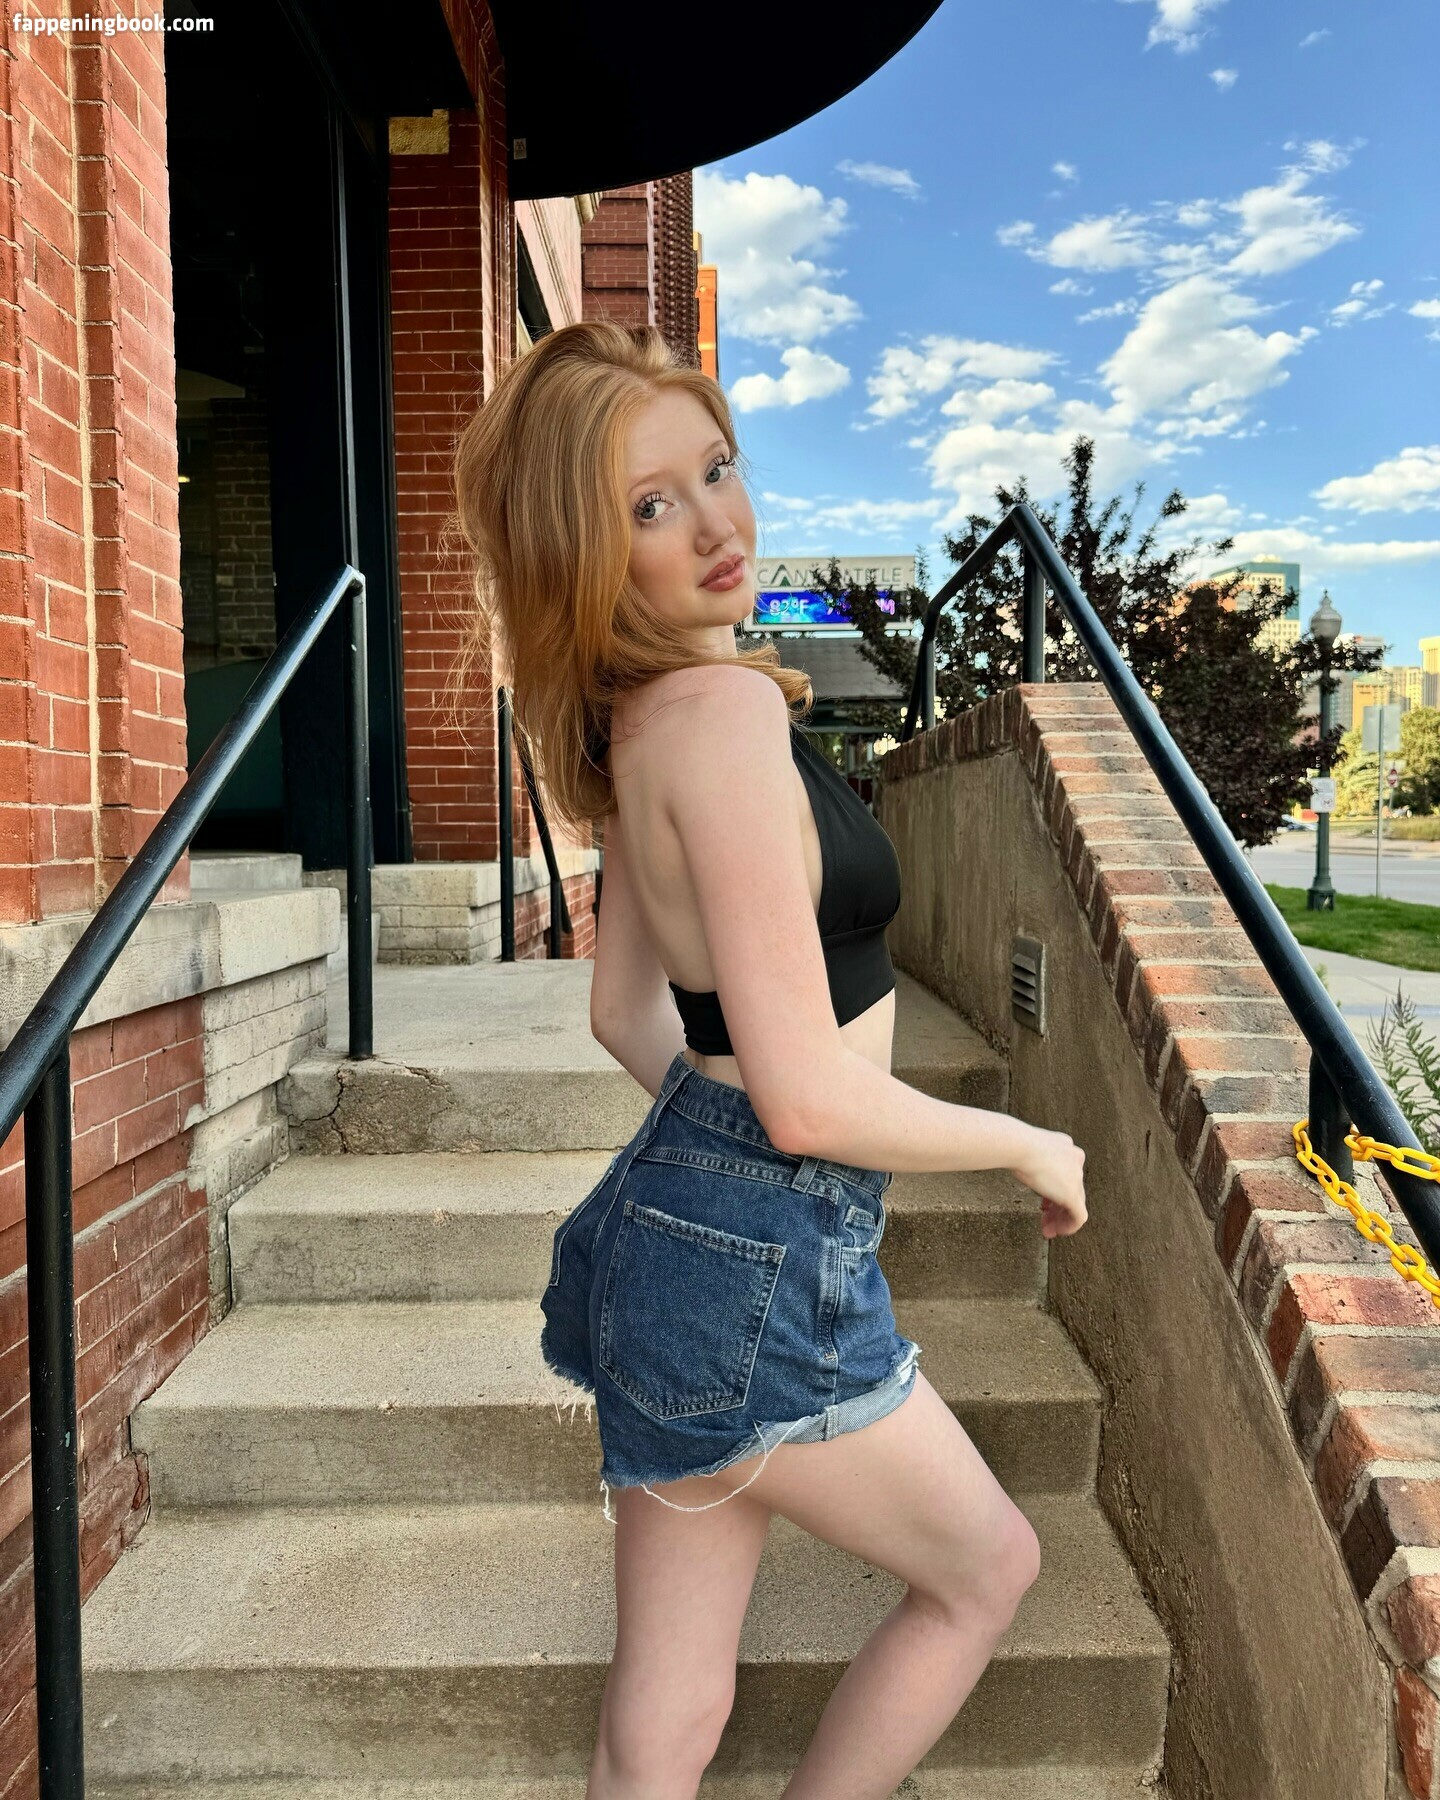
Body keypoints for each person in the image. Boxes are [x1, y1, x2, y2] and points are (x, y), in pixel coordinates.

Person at [453, 320, 1088, 1800]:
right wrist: (1024, 1143)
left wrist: (717, 1165)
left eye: (717, 469)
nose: (714, 523)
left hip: (676, 1239)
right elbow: (802, 1100)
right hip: (757, 1249)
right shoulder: (728, 717)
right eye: (649, 505)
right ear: (585, 556)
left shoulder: (638, 732)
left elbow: (625, 1016)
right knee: (987, 1569)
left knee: (666, 1712)